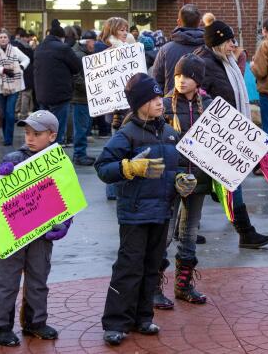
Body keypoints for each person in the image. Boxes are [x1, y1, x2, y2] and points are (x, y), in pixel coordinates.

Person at [95, 73, 194, 346]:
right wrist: (127, 168)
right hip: (135, 214)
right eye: (151, 98)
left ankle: (142, 317)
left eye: (158, 96)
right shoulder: (126, 134)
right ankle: (116, 322)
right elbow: (103, 168)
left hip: (162, 211)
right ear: (138, 104)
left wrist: (180, 182)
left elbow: (175, 168)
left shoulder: (170, 133)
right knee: (129, 267)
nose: (159, 101)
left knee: (152, 266)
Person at [0, 110, 73, 346]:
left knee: (38, 277)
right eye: (27, 133)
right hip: (12, 231)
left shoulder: (60, 163)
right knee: (5, 278)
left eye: (36, 133)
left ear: (52, 136)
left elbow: (68, 196)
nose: (30, 138)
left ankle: (35, 322)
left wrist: (65, 223)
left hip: (42, 232)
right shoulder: (14, 157)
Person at [194, 13, 268, 249]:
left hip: (228, 135)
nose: (234, 45)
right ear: (218, 42)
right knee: (228, 184)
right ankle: (245, 233)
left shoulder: (223, 63)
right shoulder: (205, 64)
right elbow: (198, 98)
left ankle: (243, 233)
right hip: (214, 136)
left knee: (224, 184)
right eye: (230, 41)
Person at [153, 54, 211, 310]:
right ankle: (153, 285)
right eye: (177, 75)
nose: (181, 80)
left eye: (187, 76)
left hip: (198, 179)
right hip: (169, 180)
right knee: (164, 234)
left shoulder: (209, 106)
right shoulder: (163, 106)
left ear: (198, 80)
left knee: (189, 232)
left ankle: (183, 284)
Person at [95, 16, 132, 200]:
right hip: (117, 110)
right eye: (122, 29)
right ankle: (113, 190)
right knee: (114, 150)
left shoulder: (129, 51)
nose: (125, 33)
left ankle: (119, 188)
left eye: (126, 29)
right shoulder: (106, 52)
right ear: (112, 31)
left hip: (129, 109)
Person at [34, 19, 82, 145]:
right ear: (61, 37)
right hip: (60, 95)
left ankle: (43, 155)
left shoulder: (39, 48)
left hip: (42, 95)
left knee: (44, 130)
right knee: (57, 132)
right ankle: (55, 158)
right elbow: (77, 66)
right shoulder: (63, 48)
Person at [0, 28, 30, 146]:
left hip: (14, 85)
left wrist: (21, 67)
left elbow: (27, 59)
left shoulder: (15, 50)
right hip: (0, 86)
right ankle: (5, 134)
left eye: (5, 37)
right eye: (1, 37)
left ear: (8, 39)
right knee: (3, 114)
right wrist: (4, 70)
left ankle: (8, 139)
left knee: (10, 112)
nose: (3, 39)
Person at [153, 4, 204, 93]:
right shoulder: (211, 49)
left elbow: (156, 83)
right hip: (203, 104)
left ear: (178, 22)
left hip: (173, 103)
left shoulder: (165, 49)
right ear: (199, 22)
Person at [71, 30, 98, 166]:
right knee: (81, 127)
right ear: (88, 42)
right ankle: (79, 155)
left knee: (83, 126)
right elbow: (76, 77)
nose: (95, 44)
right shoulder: (80, 56)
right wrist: (89, 88)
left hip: (84, 96)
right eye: (94, 41)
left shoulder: (82, 54)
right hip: (81, 97)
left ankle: (81, 153)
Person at [12, 28, 36, 122]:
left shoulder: (12, 45)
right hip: (27, 72)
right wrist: (32, 49)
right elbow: (32, 58)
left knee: (19, 94)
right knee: (26, 94)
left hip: (17, 72)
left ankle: (14, 113)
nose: (28, 39)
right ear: (22, 37)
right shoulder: (25, 47)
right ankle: (23, 115)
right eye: (27, 37)